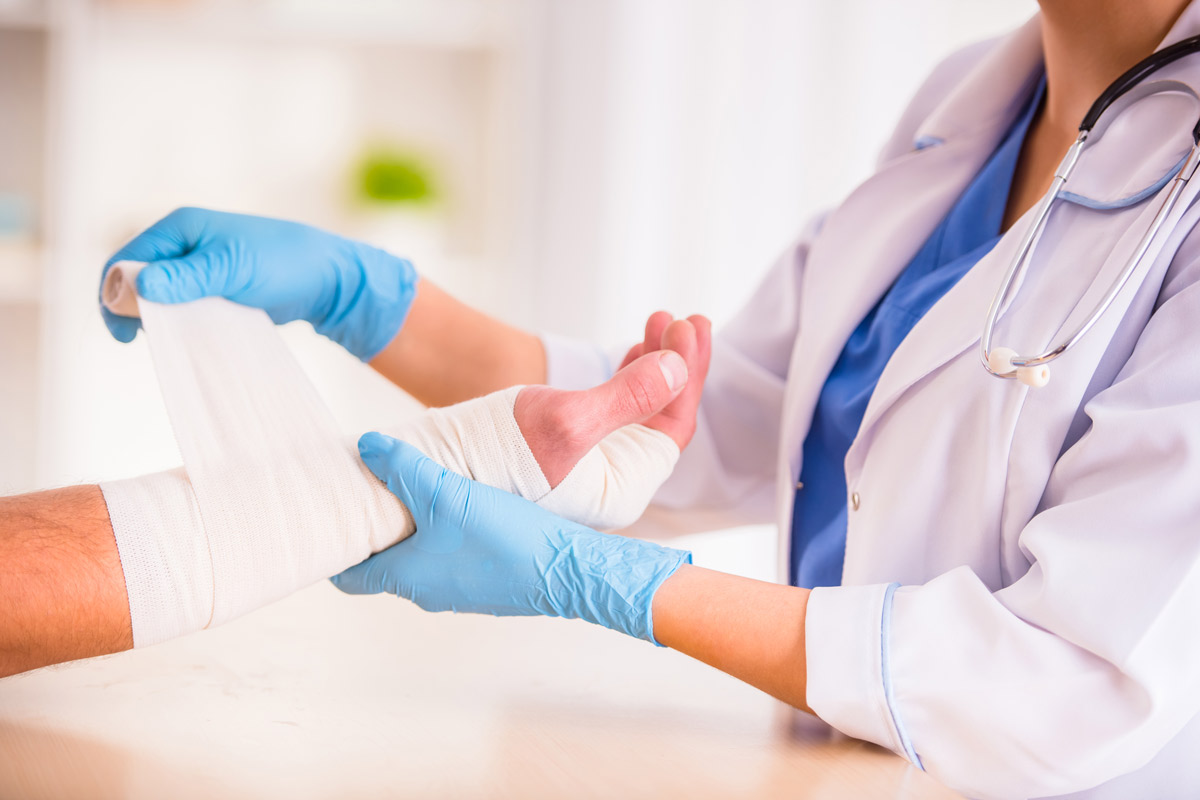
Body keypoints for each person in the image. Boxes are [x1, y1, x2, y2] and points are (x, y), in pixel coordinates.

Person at [7, 0, 1200, 796]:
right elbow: (711, 419)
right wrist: (364, 296)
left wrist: (611, 586)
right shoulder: (972, 101)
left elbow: (1076, 676)